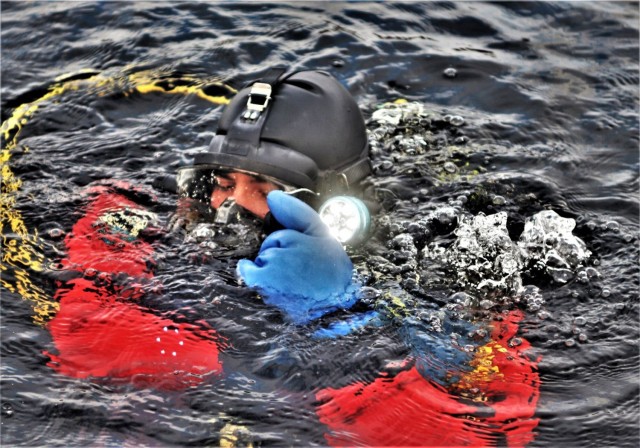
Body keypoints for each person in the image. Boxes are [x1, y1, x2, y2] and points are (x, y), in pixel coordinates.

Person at [45, 68, 540, 445]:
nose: (232, 208)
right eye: (222, 183)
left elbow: (477, 434)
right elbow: (84, 342)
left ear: (336, 207)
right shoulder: (149, 231)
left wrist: (343, 325)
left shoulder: (456, 269)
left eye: (264, 187)